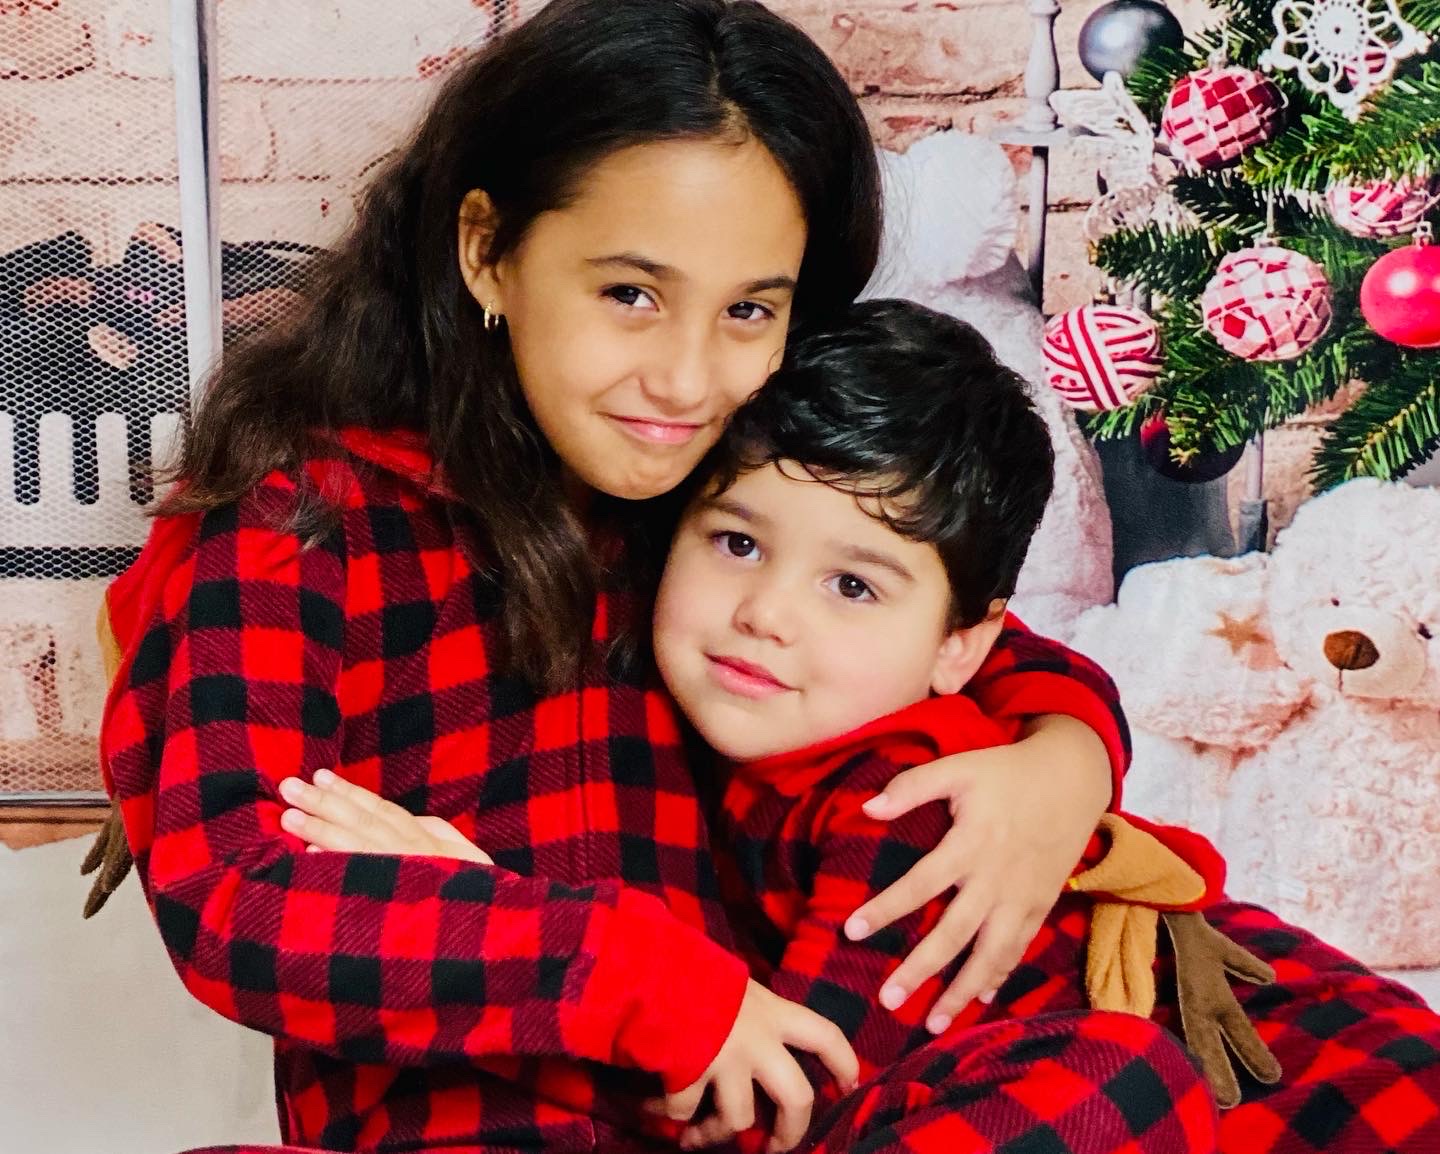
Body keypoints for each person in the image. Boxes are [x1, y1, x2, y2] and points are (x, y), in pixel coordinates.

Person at [95, 3, 1134, 1153]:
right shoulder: (304, 522)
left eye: (749, 310)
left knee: (1112, 1079)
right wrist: (618, 967)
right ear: (488, 250)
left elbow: (942, 628)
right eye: (631, 294)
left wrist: (1066, 756)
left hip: (732, 1124)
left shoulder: (718, 490)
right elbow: (233, 888)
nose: (685, 378)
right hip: (467, 1131)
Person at [287, 299, 1231, 1153]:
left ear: (959, 648)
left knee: (1120, 1080)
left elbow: (776, 1106)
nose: (766, 614)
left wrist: (484, 913)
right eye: (738, 544)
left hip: (1160, 1081)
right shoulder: (730, 708)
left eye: (850, 586)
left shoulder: (907, 802)